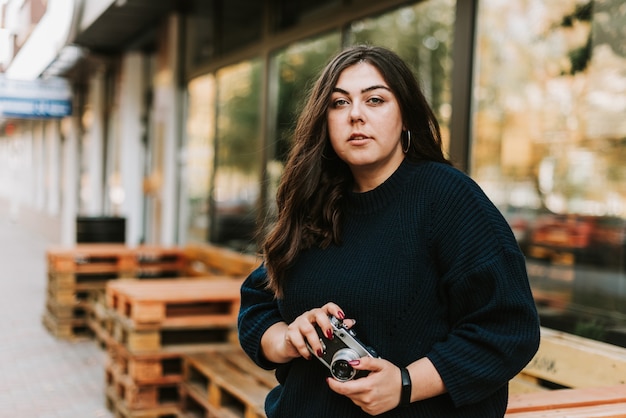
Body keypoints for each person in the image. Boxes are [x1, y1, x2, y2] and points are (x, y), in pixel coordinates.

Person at [238, 45, 540, 417]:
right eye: (339, 103)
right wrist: (287, 338)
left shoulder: (448, 199)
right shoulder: (314, 202)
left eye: (375, 100)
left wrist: (405, 384)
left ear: (406, 117)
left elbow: (508, 328)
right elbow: (258, 303)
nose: (356, 115)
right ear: (325, 119)